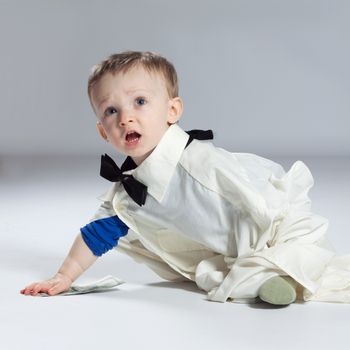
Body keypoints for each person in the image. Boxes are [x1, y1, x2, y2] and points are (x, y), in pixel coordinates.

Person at [20, 51, 350, 305]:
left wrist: (262, 242)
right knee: (216, 277)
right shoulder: (128, 194)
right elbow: (96, 234)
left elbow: (252, 202)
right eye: (111, 111)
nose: (126, 117)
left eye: (140, 102)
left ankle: (276, 272)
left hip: (268, 224)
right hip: (228, 250)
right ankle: (265, 278)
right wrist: (63, 276)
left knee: (291, 255)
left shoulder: (199, 163)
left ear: (172, 111)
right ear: (102, 132)